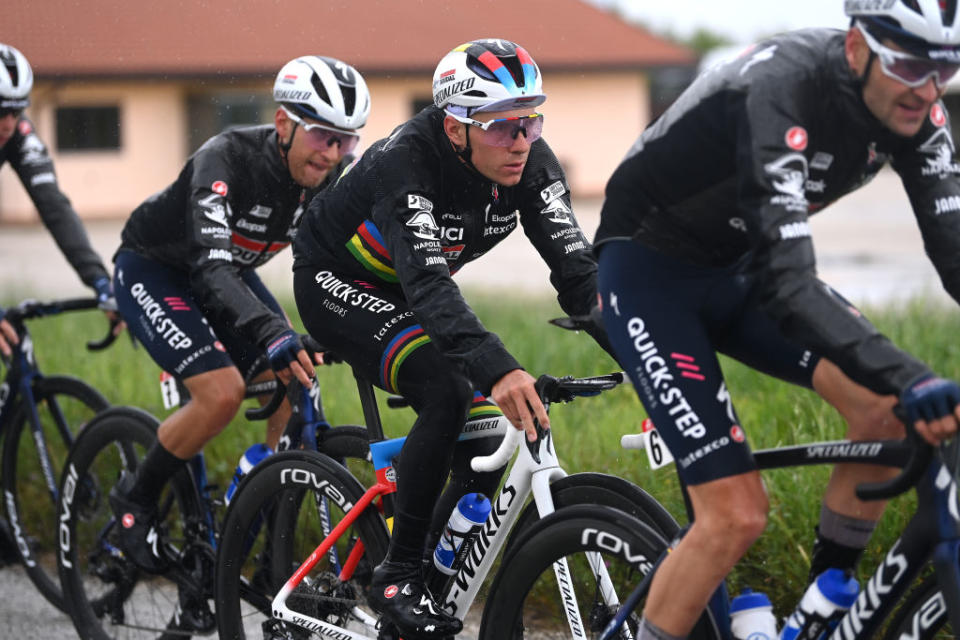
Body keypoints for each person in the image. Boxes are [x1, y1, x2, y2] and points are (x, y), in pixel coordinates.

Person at [594, 1, 960, 638]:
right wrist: (914, 375)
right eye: (907, 64)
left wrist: (902, 385)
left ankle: (822, 612)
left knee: (883, 410)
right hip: (651, 272)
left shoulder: (918, 111)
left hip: (742, 266)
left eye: (944, 69)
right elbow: (790, 282)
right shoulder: (785, 86)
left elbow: (954, 249)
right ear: (856, 48)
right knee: (735, 514)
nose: (926, 89)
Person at [292, 38, 610, 637]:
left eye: (531, 121)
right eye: (500, 127)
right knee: (446, 389)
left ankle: (436, 576)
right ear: (455, 126)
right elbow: (430, 289)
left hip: (414, 290)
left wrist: (650, 357)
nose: (520, 141)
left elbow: (579, 277)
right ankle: (398, 573)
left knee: (489, 436)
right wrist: (497, 366)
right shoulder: (406, 162)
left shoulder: (531, 164)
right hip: (336, 281)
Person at [107, 55, 370, 576]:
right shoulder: (225, 157)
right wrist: (272, 330)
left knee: (297, 380)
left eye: (347, 140)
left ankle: (260, 515)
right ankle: (133, 505)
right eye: (322, 136)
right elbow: (210, 266)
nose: (334, 152)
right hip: (158, 270)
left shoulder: (332, 175)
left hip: (227, 272)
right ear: (283, 123)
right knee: (222, 393)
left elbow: (343, 259)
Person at [0, 43, 115, 311]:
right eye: (0, 111)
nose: (8, 123)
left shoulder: (19, 134)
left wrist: (99, 280)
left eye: (16, 111)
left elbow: (54, 207)